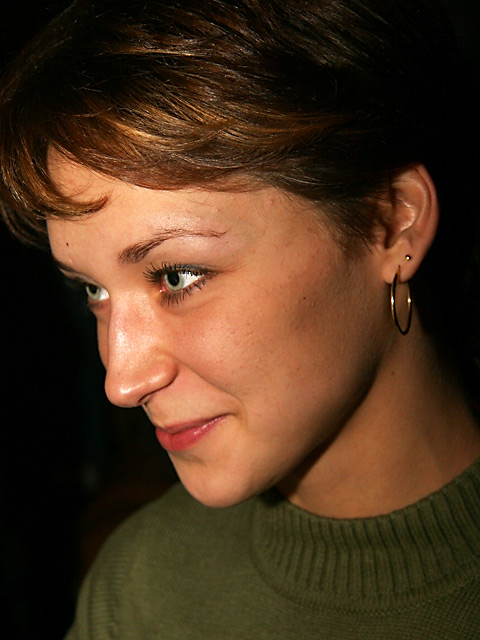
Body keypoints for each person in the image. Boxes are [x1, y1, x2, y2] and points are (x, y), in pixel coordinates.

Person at [1, 0, 480, 637]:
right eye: (92, 289)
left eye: (177, 276)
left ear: (392, 222)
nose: (122, 380)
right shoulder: (142, 596)